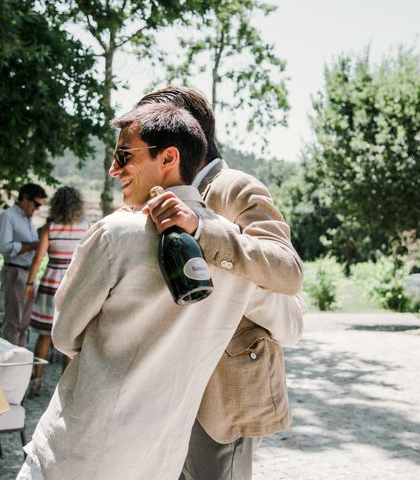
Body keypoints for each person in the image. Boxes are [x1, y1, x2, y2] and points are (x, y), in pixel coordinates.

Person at [18, 103, 297, 480]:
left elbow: (65, 335)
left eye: (123, 155)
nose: (114, 169)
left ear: (169, 156)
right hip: (160, 458)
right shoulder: (238, 263)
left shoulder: (117, 232)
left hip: (82, 446)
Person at [137, 86, 304, 480]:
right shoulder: (166, 192)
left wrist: (202, 229)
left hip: (223, 393)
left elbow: (287, 269)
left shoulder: (235, 186)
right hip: (177, 383)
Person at [24, 186, 89, 396]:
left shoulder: (50, 228)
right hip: (74, 284)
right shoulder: (86, 227)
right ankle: (64, 386)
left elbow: (38, 259)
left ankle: (36, 380)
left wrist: (28, 282)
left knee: (44, 335)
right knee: (69, 337)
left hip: (51, 283)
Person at [0, 183, 47, 347]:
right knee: (13, 323)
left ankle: (19, 365)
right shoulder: (8, 216)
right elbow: (4, 247)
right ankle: (6, 365)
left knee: (25, 324)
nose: (37, 208)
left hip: (28, 275)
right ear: (24, 198)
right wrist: (33, 246)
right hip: (15, 272)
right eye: (36, 204)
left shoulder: (28, 219)